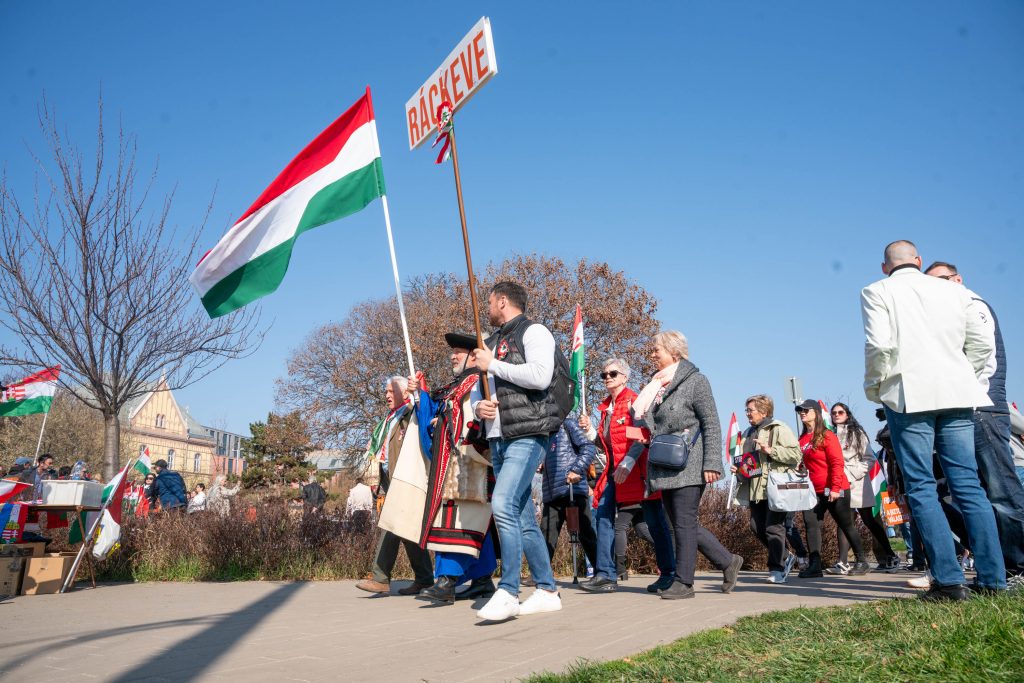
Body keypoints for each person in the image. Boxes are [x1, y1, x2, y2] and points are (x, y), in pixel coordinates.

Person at [862, 240, 1005, 599]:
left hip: (908, 395)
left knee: (922, 486)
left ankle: (949, 581)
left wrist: (875, 387)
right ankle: (993, 579)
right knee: (968, 484)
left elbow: (879, 346)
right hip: (956, 392)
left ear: (885, 267)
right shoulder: (955, 291)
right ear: (919, 260)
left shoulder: (877, 291)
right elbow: (982, 342)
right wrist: (967, 377)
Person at [925, 261, 1024, 580]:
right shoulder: (950, 313)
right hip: (964, 410)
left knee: (1002, 491)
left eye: (941, 280)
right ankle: (996, 565)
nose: (936, 289)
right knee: (966, 493)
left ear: (957, 279)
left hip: (982, 410)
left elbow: (984, 357)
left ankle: (1019, 566)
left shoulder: (972, 304)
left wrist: (967, 394)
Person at [623, 331, 741, 599]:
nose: (652, 354)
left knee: (684, 522)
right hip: (665, 464)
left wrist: (712, 463)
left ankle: (684, 582)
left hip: (690, 463)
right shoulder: (657, 386)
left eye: (657, 350)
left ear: (674, 352)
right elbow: (658, 426)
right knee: (679, 523)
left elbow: (711, 423)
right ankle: (727, 561)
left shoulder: (696, 381)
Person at [470, 281, 562, 620]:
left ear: (503, 301)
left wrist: (493, 364)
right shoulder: (491, 343)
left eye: (489, 302)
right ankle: (547, 590)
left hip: (528, 433)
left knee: (503, 503)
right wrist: (478, 407)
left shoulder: (534, 331)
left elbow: (540, 376)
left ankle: (508, 590)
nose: (487, 308)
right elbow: (477, 390)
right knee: (521, 517)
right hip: (498, 437)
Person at [413, 332, 497, 605]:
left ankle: (446, 581)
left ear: (474, 356)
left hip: (471, 461)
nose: (452, 356)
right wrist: (422, 397)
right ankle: (482, 580)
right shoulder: (459, 386)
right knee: (475, 521)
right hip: (458, 461)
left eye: (459, 351)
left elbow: (473, 420)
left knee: (458, 520)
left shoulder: (479, 382)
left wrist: (444, 422)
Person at [580, 357, 676, 594]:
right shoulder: (606, 409)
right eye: (604, 375)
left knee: (654, 521)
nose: (607, 378)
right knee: (602, 516)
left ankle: (668, 574)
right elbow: (607, 444)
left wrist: (629, 461)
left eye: (612, 373)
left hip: (638, 472)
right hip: (615, 472)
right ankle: (605, 574)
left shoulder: (634, 401)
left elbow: (642, 434)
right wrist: (591, 431)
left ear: (625, 377)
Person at [356, 376, 435, 596]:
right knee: (405, 528)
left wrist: (417, 392)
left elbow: (424, 412)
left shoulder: (411, 414)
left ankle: (380, 577)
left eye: (391, 391)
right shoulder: (389, 419)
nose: (387, 395)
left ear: (404, 393)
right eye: (386, 391)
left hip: (406, 477)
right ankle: (425, 579)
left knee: (392, 524)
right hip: (389, 478)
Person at [792, 399, 869, 578]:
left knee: (846, 524)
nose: (802, 413)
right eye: (800, 410)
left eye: (806, 410)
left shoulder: (827, 435)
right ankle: (815, 565)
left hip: (835, 488)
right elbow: (805, 463)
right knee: (811, 525)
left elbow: (837, 462)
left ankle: (862, 561)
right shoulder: (802, 439)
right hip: (813, 491)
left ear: (816, 413)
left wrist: (835, 488)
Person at [731, 394, 803, 583]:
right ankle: (786, 556)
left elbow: (796, 455)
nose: (747, 413)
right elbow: (749, 462)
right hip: (756, 489)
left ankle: (777, 570)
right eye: (746, 410)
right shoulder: (748, 432)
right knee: (756, 527)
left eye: (751, 410)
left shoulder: (778, 428)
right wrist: (738, 469)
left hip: (776, 486)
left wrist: (770, 450)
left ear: (763, 411)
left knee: (773, 527)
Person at [829, 402, 899, 573]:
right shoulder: (830, 434)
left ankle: (890, 555)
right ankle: (843, 562)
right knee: (844, 521)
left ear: (847, 414)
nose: (836, 415)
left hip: (858, 483)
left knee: (870, 520)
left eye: (840, 412)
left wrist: (852, 474)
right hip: (839, 483)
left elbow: (869, 458)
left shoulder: (856, 432)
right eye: (834, 413)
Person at [541, 417, 598, 574]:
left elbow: (588, 447)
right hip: (551, 493)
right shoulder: (543, 432)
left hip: (572, 489)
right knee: (546, 534)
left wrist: (576, 469)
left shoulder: (568, 424)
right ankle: (540, 574)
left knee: (585, 534)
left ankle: (602, 571)